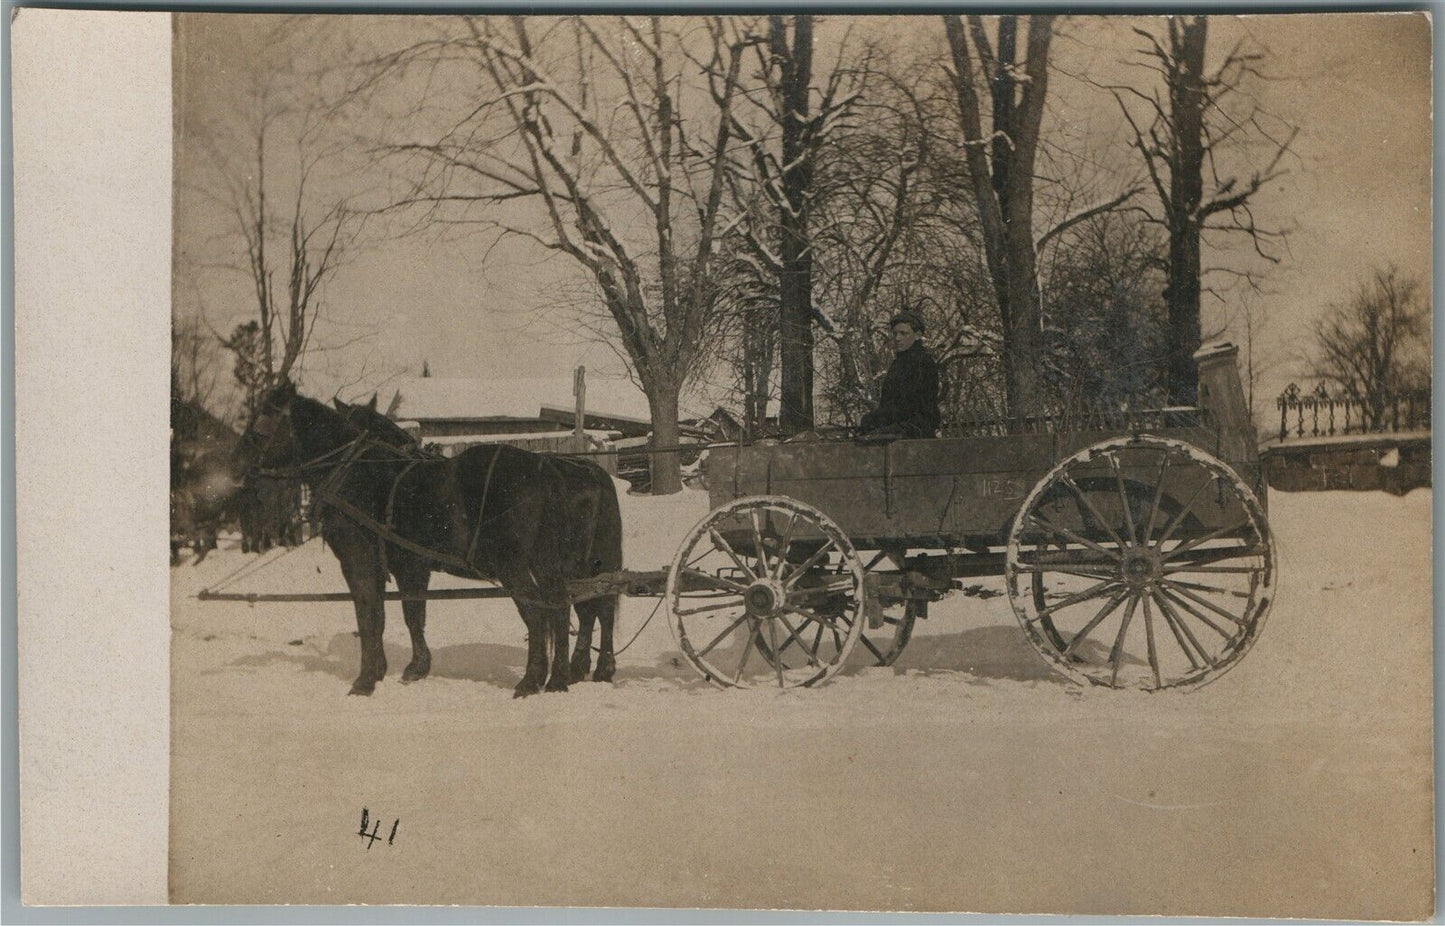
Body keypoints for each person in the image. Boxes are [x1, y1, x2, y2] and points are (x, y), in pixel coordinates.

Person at [858, 310, 941, 439]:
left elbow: (919, 407)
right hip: (899, 425)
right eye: (895, 333)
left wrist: (886, 421)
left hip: (917, 428)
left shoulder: (923, 362)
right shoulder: (898, 363)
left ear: (918, 335)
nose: (897, 338)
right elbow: (889, 404)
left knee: (874, 439)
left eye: (903, 333)